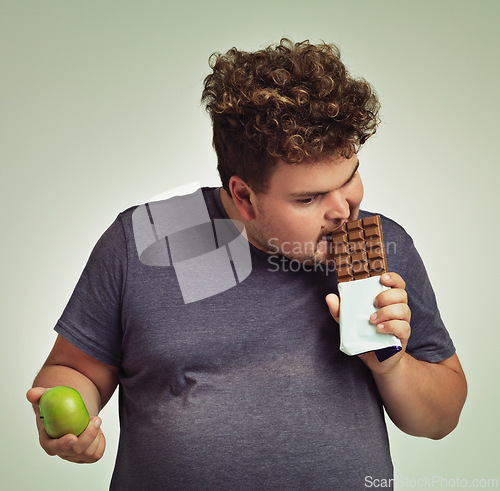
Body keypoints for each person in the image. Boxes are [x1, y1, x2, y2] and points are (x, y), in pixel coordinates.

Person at [27, 39, 467, 489]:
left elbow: (440, 418)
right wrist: (70, 417)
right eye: (309, 198)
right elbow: (75, 370)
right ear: (243, 195)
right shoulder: (145, 238)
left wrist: (392, 366)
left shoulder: (383, 245)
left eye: (349, 177)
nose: (344, 209)